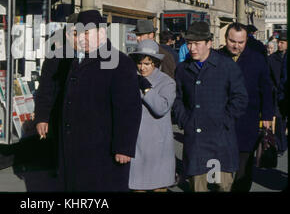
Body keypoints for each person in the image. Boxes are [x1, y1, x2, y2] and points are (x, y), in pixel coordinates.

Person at [58, 10, 142, 192]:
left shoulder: (120, 62)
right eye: (79, 33)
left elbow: (129, 108)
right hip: (76, 148)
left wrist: (124, 147)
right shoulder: (76, 60)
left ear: (101, 33)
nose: (82, 38)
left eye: (87, 33)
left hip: (103, 150)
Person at [172, 21, 248, 192]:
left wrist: (225, 121)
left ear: (209, 43)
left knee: (223, 186)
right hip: (196, 141)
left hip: (221, 140)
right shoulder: (183, 69)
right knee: (197, 187)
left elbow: (240, 98)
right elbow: (177, 99)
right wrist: (185, 120)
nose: (192, 48)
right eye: (189, 43)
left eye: (197, 44)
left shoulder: (227, 66)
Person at [218, 22, 273, 192]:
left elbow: (267, 89)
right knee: (218, 168)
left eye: (240, 42)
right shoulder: (216, 57)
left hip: (247, 121)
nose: (236, 46)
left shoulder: (257, 59)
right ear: (226, 38)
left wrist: (267, 116)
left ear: (246, 41)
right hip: (220, 121)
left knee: (243, 168)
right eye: (232, 41)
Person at [128, 39, 176, 192]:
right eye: (140, 63)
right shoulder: (130, 79)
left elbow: (161, 108)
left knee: (158, 187)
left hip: (158, 147)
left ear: (155, 63)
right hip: (136, 144)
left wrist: (147, 90)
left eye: (147, 64)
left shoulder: (167, 82)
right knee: (137, 187)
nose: (142, 68)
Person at [34, 13, 79, 172]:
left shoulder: (95, 57)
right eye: (74, 34)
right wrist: (42, 117)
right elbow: (46, 89)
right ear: (68, 34)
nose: (78, 38)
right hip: (61, 117)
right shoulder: (56, 57)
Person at [268, 31, 288, 155]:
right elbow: (268, 78)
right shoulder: (271, 59)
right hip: (278, 95)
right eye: (278, 42)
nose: (279, 45)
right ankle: (281, 146)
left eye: (282, 43)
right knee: (280, 121)